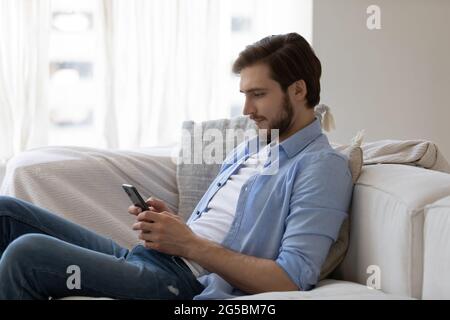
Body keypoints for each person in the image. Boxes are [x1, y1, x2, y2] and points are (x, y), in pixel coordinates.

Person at [0, 33, 353, 300]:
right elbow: (221, 230)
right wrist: (176, 228)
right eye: (243, 95)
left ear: (299, 90)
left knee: (26, 253)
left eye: (258, 94)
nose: (246, 110)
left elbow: (291, 279)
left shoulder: (321, 167)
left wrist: (188, 245)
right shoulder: (251, 148)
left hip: (182, 284)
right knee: (6, 213)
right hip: (156, 258)